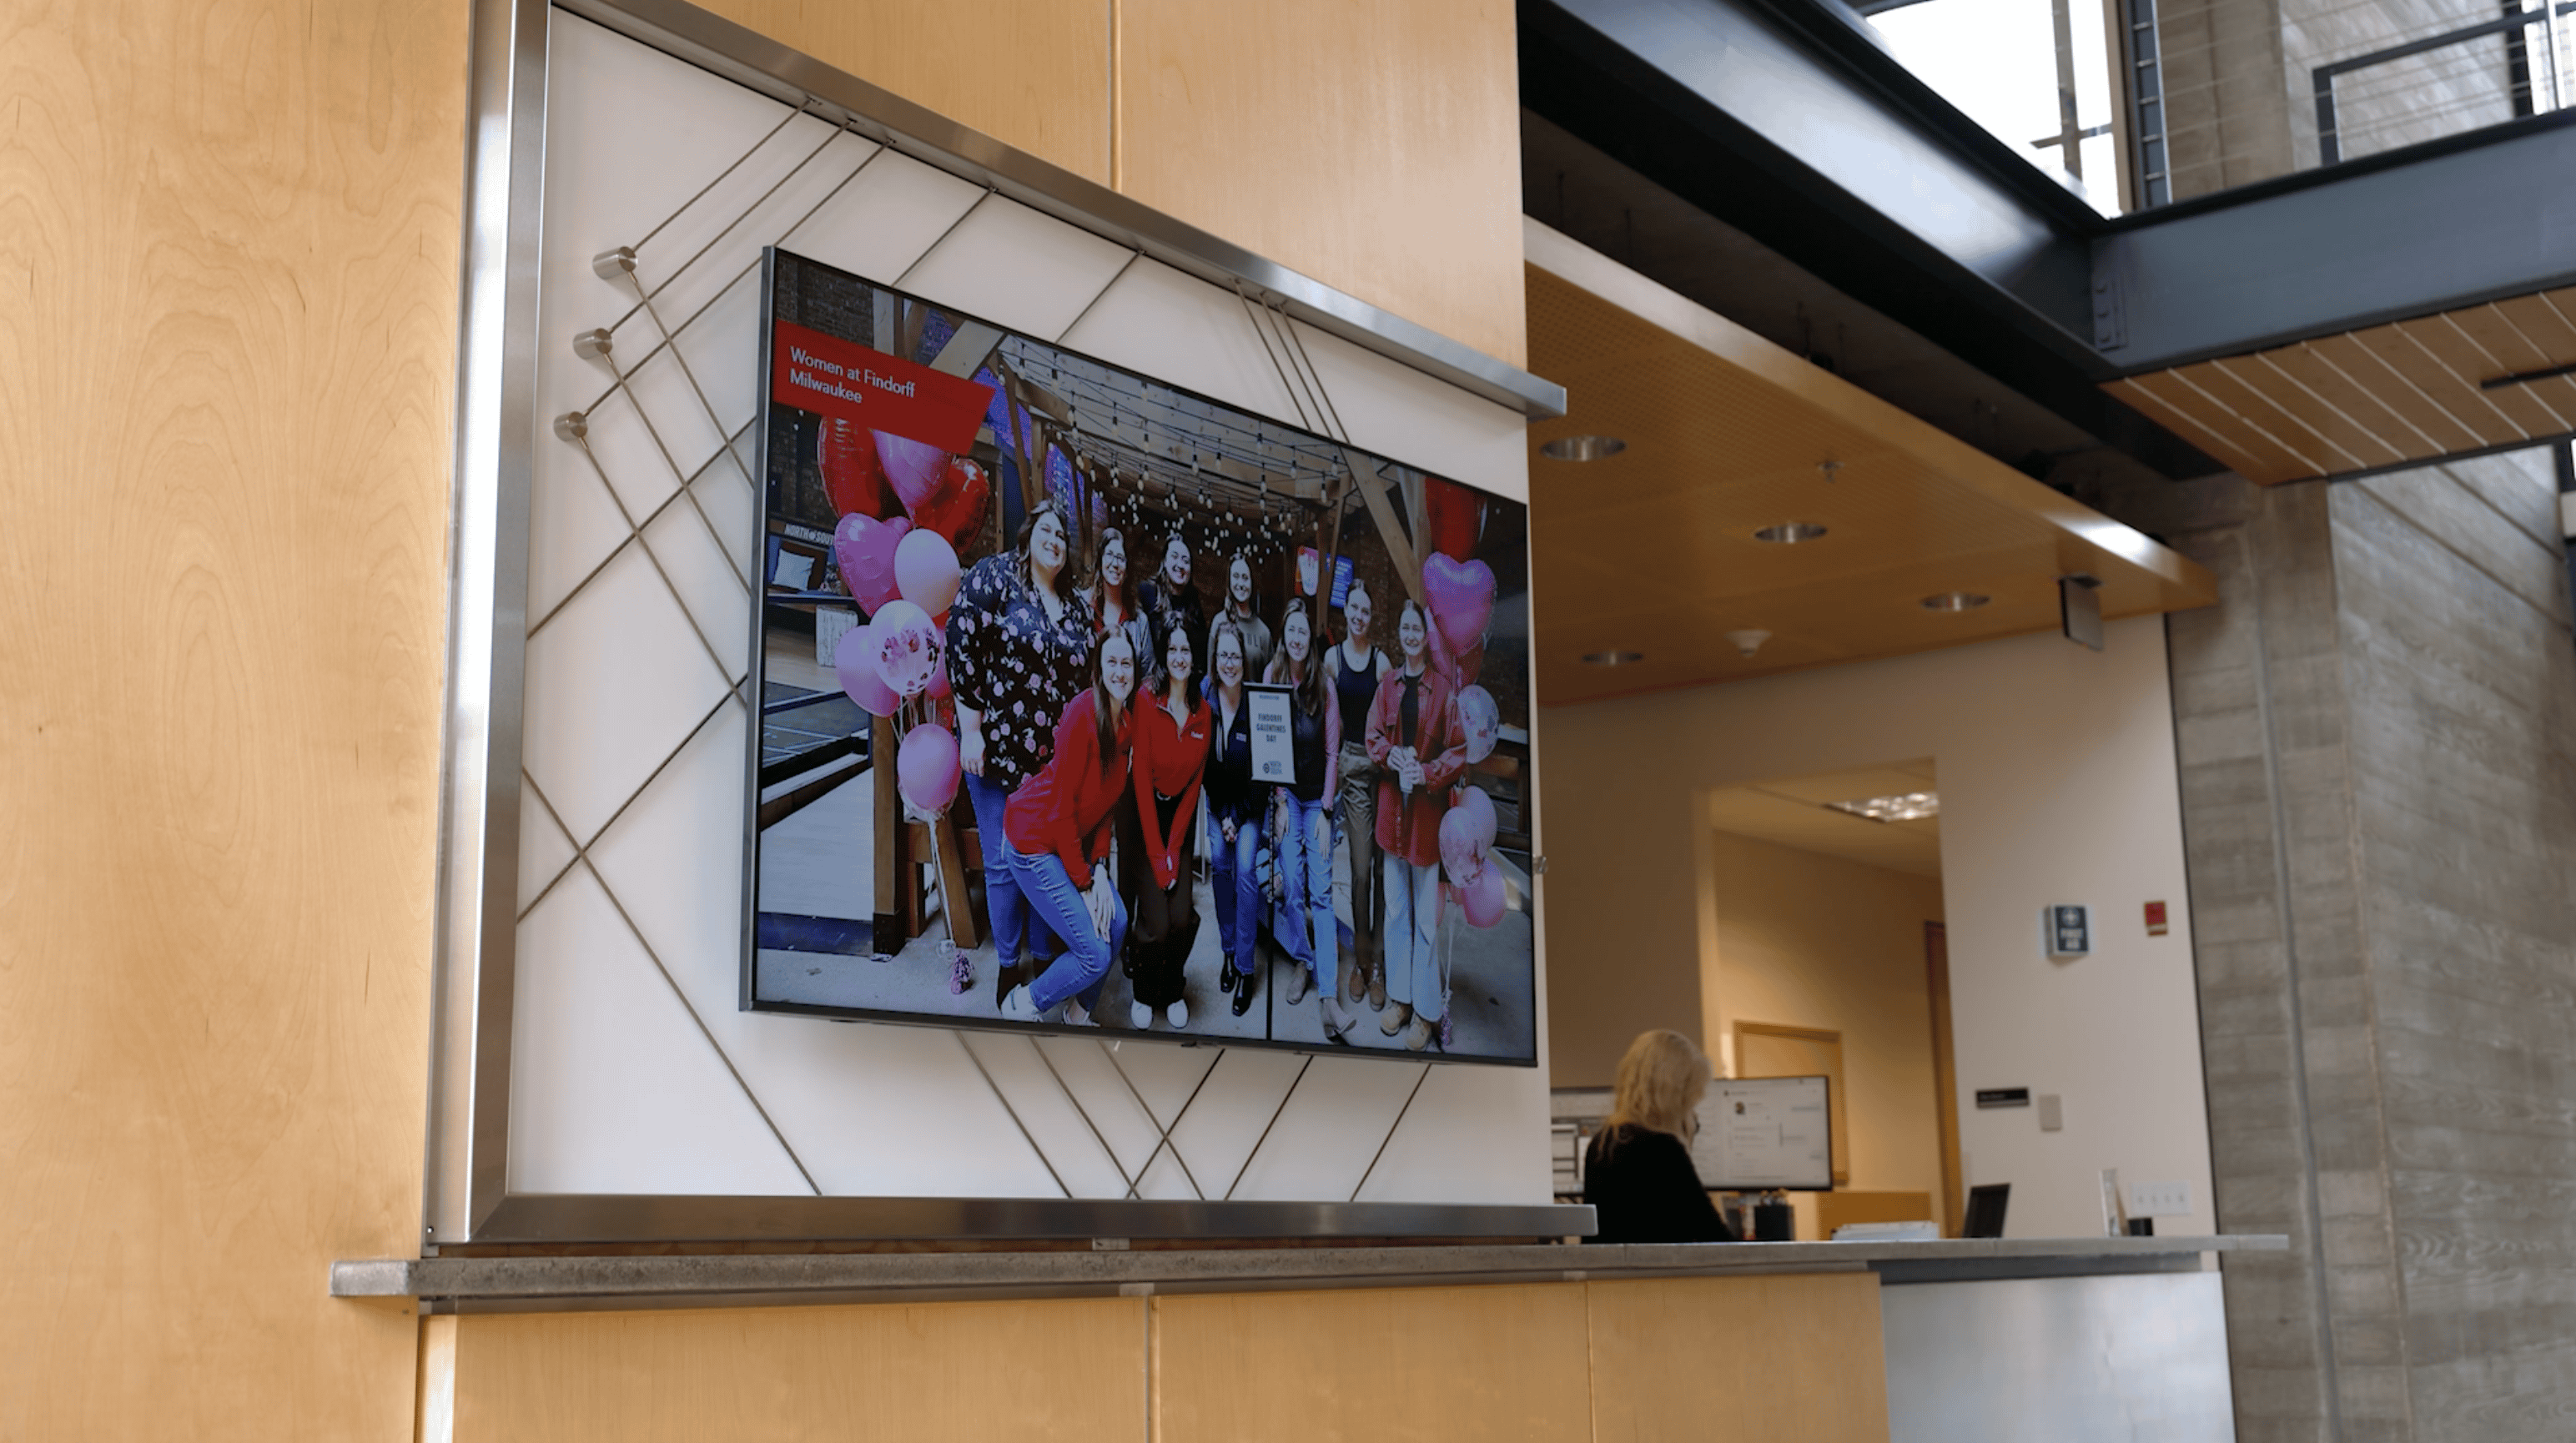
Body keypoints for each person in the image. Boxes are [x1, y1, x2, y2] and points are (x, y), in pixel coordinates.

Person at [944, 500, 1093, 1003]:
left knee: (1044, 859)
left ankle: (1046, 958)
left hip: (1051, 766)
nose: (1055, 540)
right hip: (996, 753)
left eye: (1062, 535)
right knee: (1003, 864)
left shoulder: (1074, 605)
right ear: (1029, 535)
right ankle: (1010, 963)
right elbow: (961, 642)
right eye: (1047, 530)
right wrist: (971, 730)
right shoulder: (996, 577)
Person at [999, 631, 1140, 1027]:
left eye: (1126, 663)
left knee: (1117, 920)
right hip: (1032, 840)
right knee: (1094, 952)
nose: (1119, 671)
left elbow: (1106, 809)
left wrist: (1099, 868)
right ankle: (1023, 1003)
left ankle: (1078, 1014)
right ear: (1098, 669)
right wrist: (1084, 884)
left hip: (1067, 844)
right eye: (1111, 662)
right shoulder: (1082, 712)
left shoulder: (1126, 725)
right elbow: (1061, 812)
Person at [1366, 598, 1468, 1052]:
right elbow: (1371, 736)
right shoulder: (1387, 686)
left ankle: (1427, 1012)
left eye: (1417, 629)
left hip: (1426, 817)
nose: (1410, 636)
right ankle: (1401, 1000)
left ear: (1427, 637)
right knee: (1395, 911)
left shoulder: (1443, 691)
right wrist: (1392, 755)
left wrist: (1425, 773)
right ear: (1399, 633)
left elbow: (1458, 750)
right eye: (1404, 628)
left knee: (1426, 917)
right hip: (1393, 812)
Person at [1263, 601, 1349, 1040]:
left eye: (1302, 631)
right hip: (1288, 799)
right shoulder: (1273, 679)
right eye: (1290, 630)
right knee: (1291, 884)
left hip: (1318, 801)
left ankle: (1328, 994)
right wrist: (1279, 802)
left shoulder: (1325, 686)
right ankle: (1303, 959)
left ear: (1309, 639)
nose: (1296, 638)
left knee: (1321, 891)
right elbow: (1270, 747)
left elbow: (1334, 753)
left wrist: (1328, 811)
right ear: (1284, 635)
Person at [1121, 625, 1210, 1030]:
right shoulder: (1145, 699)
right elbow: (1139, 779)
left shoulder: (1203, 713)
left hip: (1180, 820)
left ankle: (1173, 987)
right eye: (1172, 648)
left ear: (1195, 657)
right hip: (1143, 817)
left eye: (1186, 648)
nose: (1179, 656)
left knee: (1180, 916)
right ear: (1164, 654)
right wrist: (1159, 857)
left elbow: (1193, 789)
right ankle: (1144, 991)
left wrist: (1175, 851)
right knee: (1155, 920)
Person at [1582, 1030, 1738, 1244]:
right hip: (1661, 1277)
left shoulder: (1600, 1144)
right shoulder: (1663, 1149)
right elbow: (1717, 1239)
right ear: (1677, 1096)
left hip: (1613, 1278)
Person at [1330, 581, 1391, 1010]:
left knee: (1384, 873)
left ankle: (1377, 967)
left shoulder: (1382, 662)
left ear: (1371, 616)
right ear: (1346, 610)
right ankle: (1361, 963)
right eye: (1354, 607)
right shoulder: (1332, 660)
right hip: (1351, 769)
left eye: (1366, 610)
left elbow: (1393, 719)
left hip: (1382, 769)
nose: (1359, 616)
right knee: (1360, 870)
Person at [1204, 620, 1265, 1018]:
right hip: (1217, 805)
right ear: (1216, 660)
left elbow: (1262, 774)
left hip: (1249, 807)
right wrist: (1222, 815)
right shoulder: (1206, 700)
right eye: (1223, 655)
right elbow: (1206, 768)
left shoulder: (1257, 703)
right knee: (1221, 865)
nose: (1230, 662)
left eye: (1235, 656)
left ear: (1245, 660)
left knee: (1244, 867)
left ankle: (1244, 966)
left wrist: (1237, 816)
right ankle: (1227, 950)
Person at [1138, 532, 1206, 691]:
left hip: (1184, 687)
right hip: (1154, 686)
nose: (1181, 565)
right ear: (1165, 561)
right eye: (1175, 557)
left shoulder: (1194, 602)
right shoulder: (1148, 592)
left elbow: (1201, 653)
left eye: (1186, 561)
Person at [1090, 526, 1150, 665]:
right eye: (1110, 555)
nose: (1115, 564)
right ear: (1100, 562)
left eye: (1121, 558)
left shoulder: (1139, 621)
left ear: (1127, 569)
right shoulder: (1085, 609)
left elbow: (1148, 677)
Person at [1221, 552, 1273, 686]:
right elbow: (1210, 676)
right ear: (1229, 581)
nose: (1240, 583)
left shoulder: (1264, 632)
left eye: (1245, 578)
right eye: (1236, 577)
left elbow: (1270, 681)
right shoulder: (1219, 623)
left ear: (1252, 582)